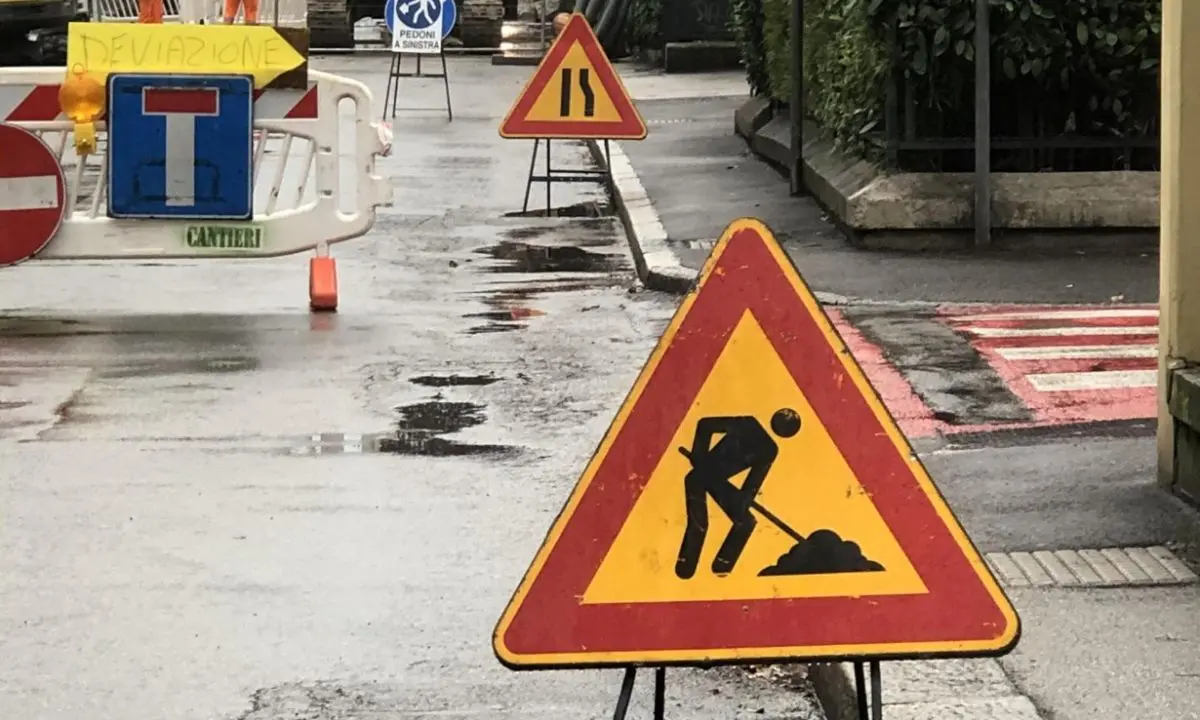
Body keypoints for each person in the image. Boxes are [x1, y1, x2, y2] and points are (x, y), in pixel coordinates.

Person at [674, 408, 802, 579]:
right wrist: (700, 454)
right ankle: (686, 564)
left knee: (746, 521)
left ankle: (722, 565)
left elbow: (752, 484)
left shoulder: (770, 449)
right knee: (699, 524)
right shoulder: (748, 424)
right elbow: (705, 425)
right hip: (698, 476)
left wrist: (743, 501)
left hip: (716, 481)